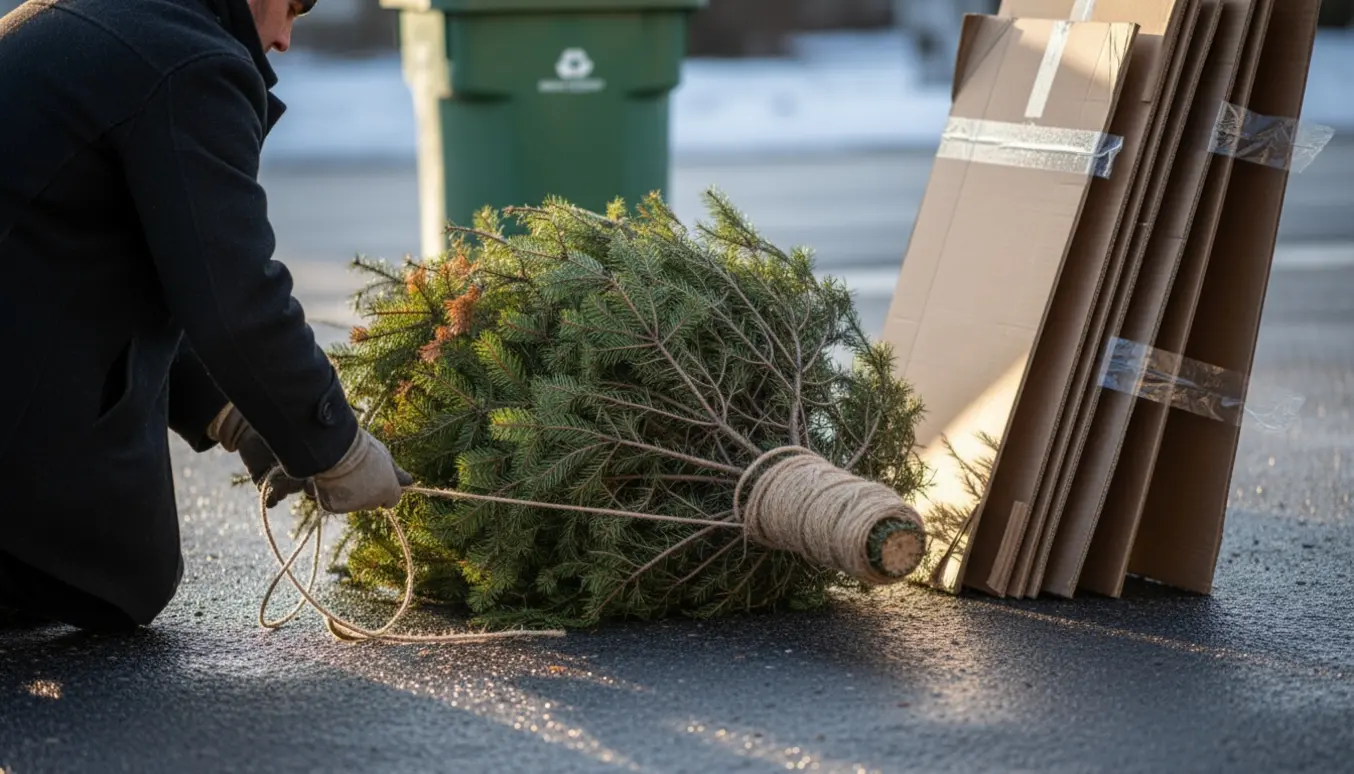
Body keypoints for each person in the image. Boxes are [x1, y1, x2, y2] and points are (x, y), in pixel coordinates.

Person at [0, 0, 411, 632]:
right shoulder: (190, 63)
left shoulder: (94, 18)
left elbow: (132, 259)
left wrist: (229, 409)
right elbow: (236, 295)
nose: (283, 40)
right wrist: (338, 448)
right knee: (119, 570)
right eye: (292, 9)